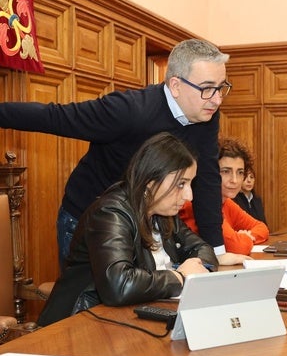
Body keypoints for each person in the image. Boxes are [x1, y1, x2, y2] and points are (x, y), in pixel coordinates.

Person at [0, 38, 230, 270]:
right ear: (176, 85)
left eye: (221, 88)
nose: (217, 99)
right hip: (89, 217)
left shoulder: (206, 114)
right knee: (91, 302)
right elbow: (55, 117)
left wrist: (217, 251)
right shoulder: (128, 110)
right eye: (208, 88)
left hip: (141, 221)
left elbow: (207, 179)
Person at [37, 133, 218, 327]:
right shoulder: (110, 213)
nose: (189, 196)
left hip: (127, 318)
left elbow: (204, 250)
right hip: (78, 324)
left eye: (190, 183)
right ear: (151, 180)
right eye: (181, 184)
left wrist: (193, 268)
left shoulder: (164, 212)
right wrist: (178, 276)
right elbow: (119, 285)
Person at [180, 137, 269, 258]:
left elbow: (262, 228)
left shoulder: (226, 202)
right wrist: (244, 238)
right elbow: (238, 247)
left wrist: (243, 237)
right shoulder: (198, 203)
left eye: (240, 172)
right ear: (211, 173)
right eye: (226, 171)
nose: (234, 180)